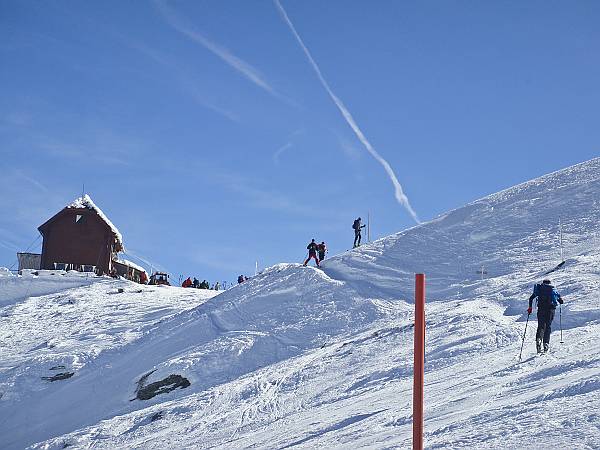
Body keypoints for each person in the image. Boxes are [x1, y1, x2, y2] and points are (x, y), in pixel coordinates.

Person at [528, 279, 564, 353]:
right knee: (548, 326)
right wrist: (560, 301)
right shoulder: (553, 289)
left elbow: (531, 298)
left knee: (541, 326)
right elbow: (560, 300)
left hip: (541, 309)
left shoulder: (540, 289)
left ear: (543, 283)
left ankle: (539, 339)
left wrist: (530, 308)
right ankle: (546, 343)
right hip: (550, 310)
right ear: (550, 283)